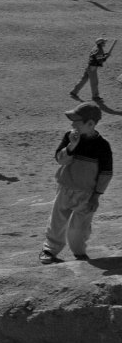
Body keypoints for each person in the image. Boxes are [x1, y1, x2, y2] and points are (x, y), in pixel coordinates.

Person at [39, 101, 113, 264]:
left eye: (76, 121)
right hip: (65, 188)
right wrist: (71, 146)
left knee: (80, 227)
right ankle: (49, 250)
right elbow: (60, 160)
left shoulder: (102, 146)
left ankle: (79, 252)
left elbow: (106, 174)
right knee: (57, 221)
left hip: (87, 194)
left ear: (90, 124)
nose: (72, 124)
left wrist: (96, 196)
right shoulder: (70, 137)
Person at [71, 38, 112, 103]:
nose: (104, 43)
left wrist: (104, 55)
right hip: (93, 68)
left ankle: (74, 92)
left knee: (83, 80)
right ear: (100, 43)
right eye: (103, 42)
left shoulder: (95, 47)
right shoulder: (100, 50)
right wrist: (107, 57)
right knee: (94, 82)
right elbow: (100, 60)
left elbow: (96, 56)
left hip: (89, 67)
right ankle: (95, 96)